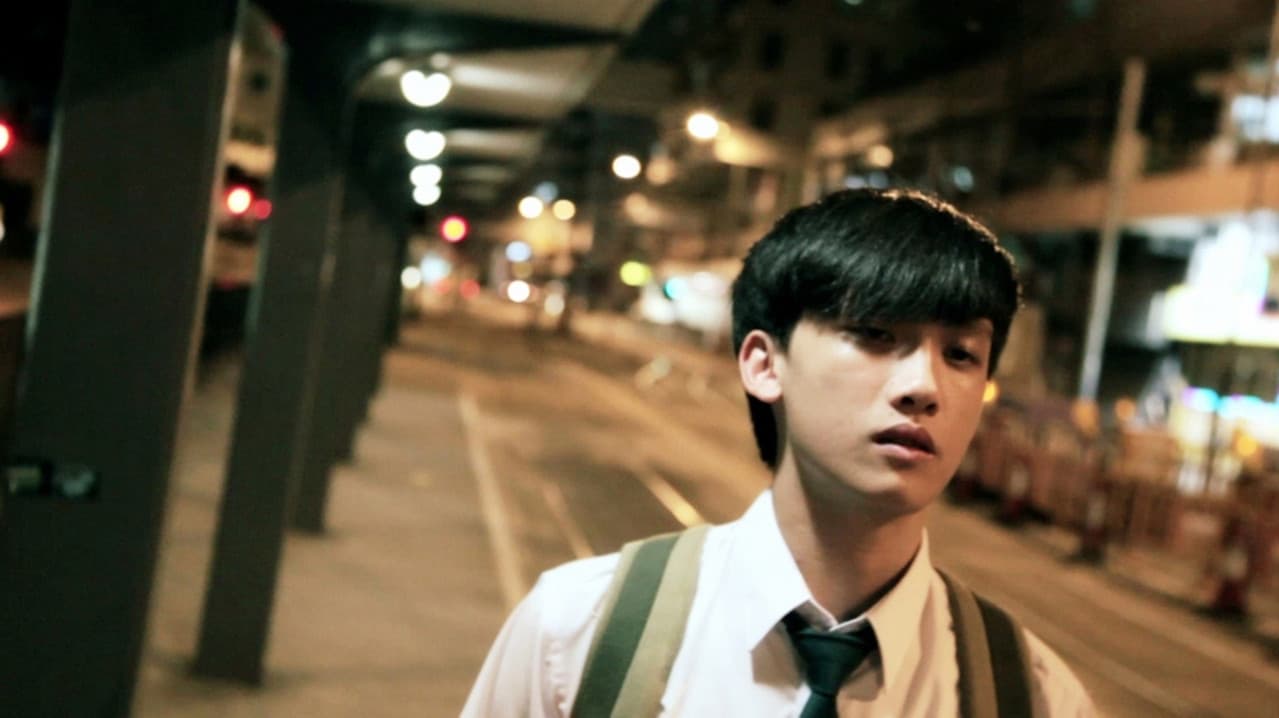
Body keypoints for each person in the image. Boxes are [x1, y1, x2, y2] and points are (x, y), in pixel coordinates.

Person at [462, 188, 1095, 717]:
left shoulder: (1035, 697)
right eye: (876, 334)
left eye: (961, 354)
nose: (923, 386)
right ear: (764, 364)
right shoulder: (578, 635)